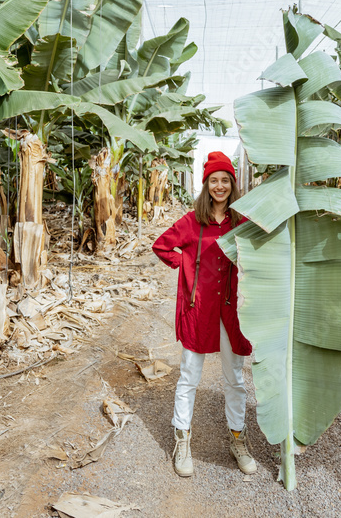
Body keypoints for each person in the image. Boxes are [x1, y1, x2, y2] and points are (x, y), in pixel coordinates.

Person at [152, 151, 255, 478]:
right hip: (199, 311)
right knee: (189, 377)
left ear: (232, 184)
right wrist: (185, 264)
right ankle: (182, 439)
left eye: (226, 180)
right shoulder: (192, 221)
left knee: (234, 379)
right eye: (215, 180)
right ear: (206, 184)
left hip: (232, 312)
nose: (220, 186)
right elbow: (162, 246)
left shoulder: (243, 222)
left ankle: (237, 438)